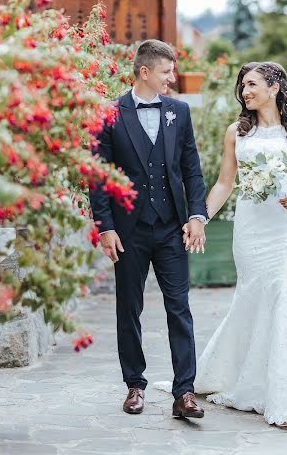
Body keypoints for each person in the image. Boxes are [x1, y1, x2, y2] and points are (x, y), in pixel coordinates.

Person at [156, 61, 287, 426]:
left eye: (252, 84)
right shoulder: (237, 132)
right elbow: (225, 183)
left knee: (286, 292)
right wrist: (200, 217)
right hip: (251, 229)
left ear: (275, 87)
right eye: (243, 86)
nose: (245, 92)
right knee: (254, 297)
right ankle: (248, 376)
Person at [89, 39, 207, 419]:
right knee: (130, 308)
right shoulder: (109, 113)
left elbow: (192, 170)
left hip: (172, 227)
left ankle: (184, 392)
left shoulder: (179, 112)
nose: (172, 78)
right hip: (129, 230)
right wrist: (105, 227)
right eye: (166, 71)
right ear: (144, 72)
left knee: (180, 308)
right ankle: (134, 385)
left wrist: (196, 216)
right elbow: (98, 176)